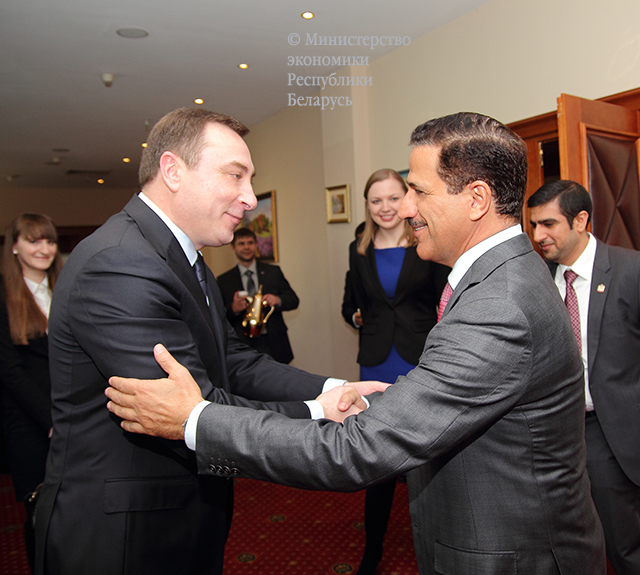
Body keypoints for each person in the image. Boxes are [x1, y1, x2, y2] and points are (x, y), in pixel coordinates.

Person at [106, 112, 606, 574]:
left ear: (476, 199)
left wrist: (194, 421)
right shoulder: (504, 278)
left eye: (417, 191)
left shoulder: (499, 304)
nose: (404, 208)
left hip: (515, 556)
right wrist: (377, 401)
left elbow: (354, 452)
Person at [34, 107, 381, 575]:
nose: (250, 197)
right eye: (235, 175)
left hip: (182, 509)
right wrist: (318, 412)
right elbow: (192, 404)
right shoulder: (120, 263)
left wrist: (333, 387)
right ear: (173, 170)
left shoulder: (184, 258)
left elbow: (233, 359)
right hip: (125, 531)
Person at [528, 180, 640, 575]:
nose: (538, 236)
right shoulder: (537, 279)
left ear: (580, 220)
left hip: (611, 432)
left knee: (624, 546)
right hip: (554, 435)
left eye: (548, 224)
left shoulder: (630, 270)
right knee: (566, 546)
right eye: (534, 225)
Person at [340, 169, 448, 574]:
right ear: (367, 206)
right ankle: (373, 549)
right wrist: (355, 316)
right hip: (376, 360)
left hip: (420, 358)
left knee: (429, 456)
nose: (385, 207)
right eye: (375, 200)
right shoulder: (358, 249)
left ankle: (436, 547)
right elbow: (353, 302)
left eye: (392, 198)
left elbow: (444, 301)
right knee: (377, 458)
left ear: (406, 198)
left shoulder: (426, 239)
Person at [0, 213, 62, 572]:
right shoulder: (4, 296)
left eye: (50, 241)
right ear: (14, 246)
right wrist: (49, 419)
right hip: (28, 422)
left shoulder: (63, 289)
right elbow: (10, 371)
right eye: (34, 240)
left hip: (69, 416)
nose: (44, 249)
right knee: (40, 513)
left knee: (73, 510)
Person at [217, 227, 298, 364]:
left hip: (274, 344)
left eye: (250, 243)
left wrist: (277, 300)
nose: (246, 247)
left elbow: (293, 300)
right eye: (241, 244)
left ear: (256, 245)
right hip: (242, 346)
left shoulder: (273, 272)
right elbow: (218, 316)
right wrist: (233, 308)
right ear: (233, 248)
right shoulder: (224, 280)